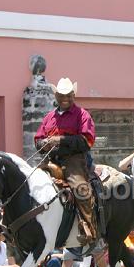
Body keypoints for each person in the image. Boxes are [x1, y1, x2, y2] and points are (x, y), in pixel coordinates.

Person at [34, 77, 97, 245]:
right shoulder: (49, 117)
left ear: (73, 95)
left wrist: (59, 140)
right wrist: (43, 143)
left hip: (73, 160)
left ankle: (88, 228)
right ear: (56, 96)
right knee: (30, 183)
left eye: (68, 95)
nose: (65, 99)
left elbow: (87, 141)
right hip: (50, 159)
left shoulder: (82, 114)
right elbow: (37, 140)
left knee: (80, 188)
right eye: (61, 95)